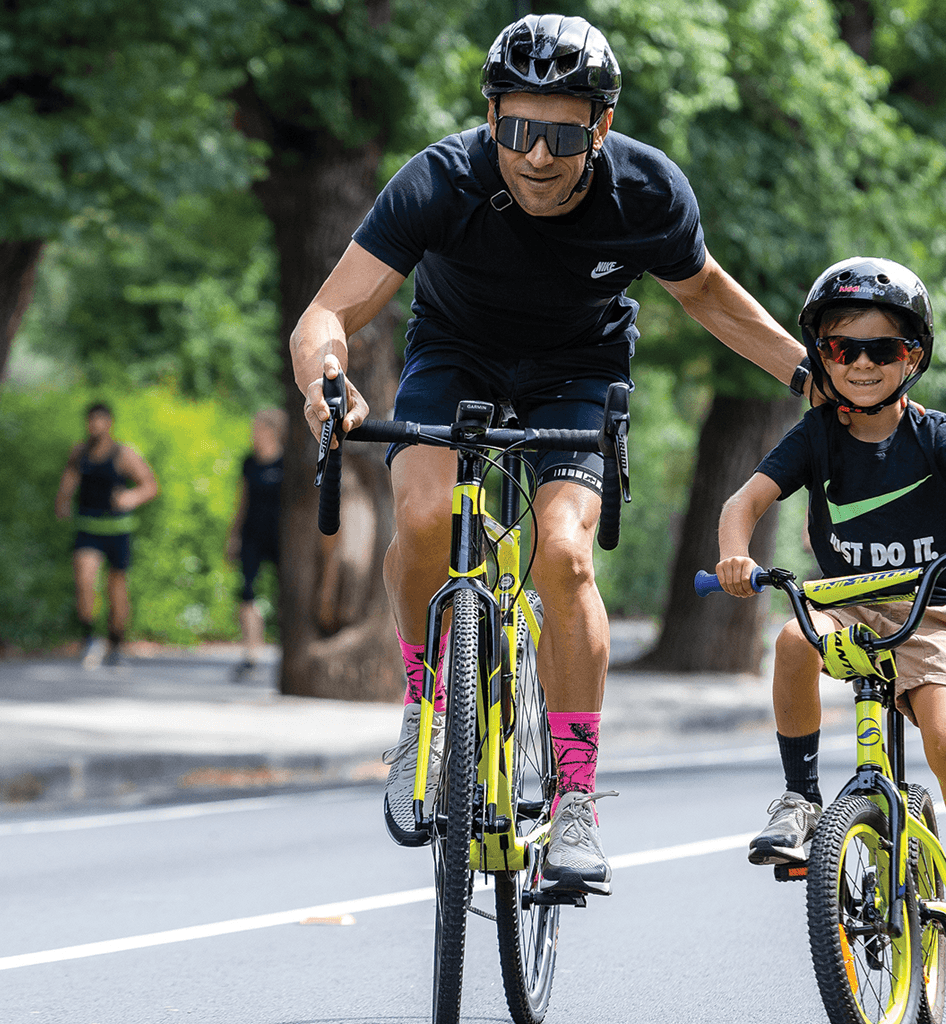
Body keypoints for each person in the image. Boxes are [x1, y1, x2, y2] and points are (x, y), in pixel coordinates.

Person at [291, 14, 813, 897]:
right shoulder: (439, 182)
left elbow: (713, 301)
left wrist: (815, 379)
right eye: (519, 129)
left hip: (579, 371)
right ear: (492, 118)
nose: (537, 155)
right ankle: (425, 713)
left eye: (564, 134)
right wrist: (327, 383)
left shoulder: (647, 193)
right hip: (455, 358)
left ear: (601, 128)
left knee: (565, 553)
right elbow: (325, 315)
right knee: (423, 514)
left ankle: (573, 799)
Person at [713, 257, 946, 995]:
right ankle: (801, 797)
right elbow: (743, 504)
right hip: (849, 598)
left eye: (879, 349)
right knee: (794, 635)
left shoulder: (933, 434)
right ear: (819, 356)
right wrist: (734, 555)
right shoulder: (817, 434)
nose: (858, 363)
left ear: (911, 357)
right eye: (839, 348)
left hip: (933, 609)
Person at [54, 402, 159, 669]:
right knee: (85, 580)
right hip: (88, 527)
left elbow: (150, 485)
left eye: (100, 421)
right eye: (91, 421)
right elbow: (69, 480)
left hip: (116, 531)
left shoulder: (124, 454)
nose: (95, 426)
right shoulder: (80, 452)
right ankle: (89, 637)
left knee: (116, 590)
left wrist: (130, 497)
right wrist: (63, 501)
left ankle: (116, 642)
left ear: (109, 423)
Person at [226, 408, 287, 682]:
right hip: (252, 534)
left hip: (279, 538)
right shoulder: (249, 462)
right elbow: (242, 501)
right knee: (247, 591)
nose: (253, 434)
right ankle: (251, 654)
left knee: (284, 593)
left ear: (272, 431)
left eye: (257, 429)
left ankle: (285, 649)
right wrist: (233, 535)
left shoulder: (288, 462)